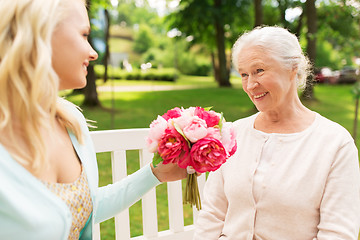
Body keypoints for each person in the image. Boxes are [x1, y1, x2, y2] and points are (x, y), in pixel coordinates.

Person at [0, 0, 187, 239]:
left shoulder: (70, 122)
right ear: (39, 34)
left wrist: (154, 174)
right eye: (84, 34)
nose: (94, 52)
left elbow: (83, 207)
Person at [194, 26, 360, 239]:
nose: (251, 85)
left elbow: (338, 234)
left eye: (259, 70)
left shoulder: (335, 143)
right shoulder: (231, 134)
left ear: (293, 68)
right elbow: (212, 216)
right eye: (244, 74)